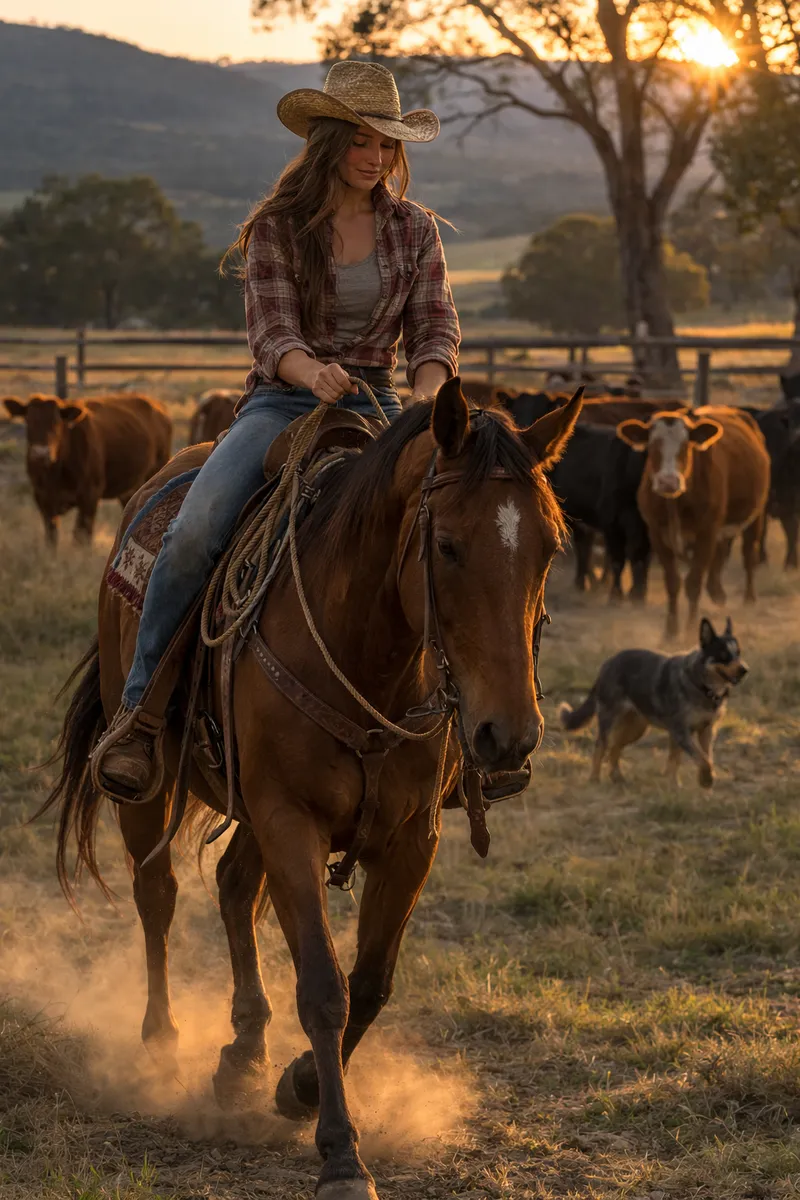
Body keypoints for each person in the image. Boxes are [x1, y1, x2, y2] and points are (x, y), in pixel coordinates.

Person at [96, 60, 461, 797]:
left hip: (380, 403)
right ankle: (141, 714)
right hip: (282, 402)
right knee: (195, 531)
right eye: (360, 140)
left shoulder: (415, 229)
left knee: (463, 527)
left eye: (386, 144)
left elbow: (435, 328)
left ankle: (462, 728)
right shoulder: (277, 227)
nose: (376, 157)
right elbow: (272, 331)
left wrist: (428, 395)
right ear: (328, 141)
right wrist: (310, 372)